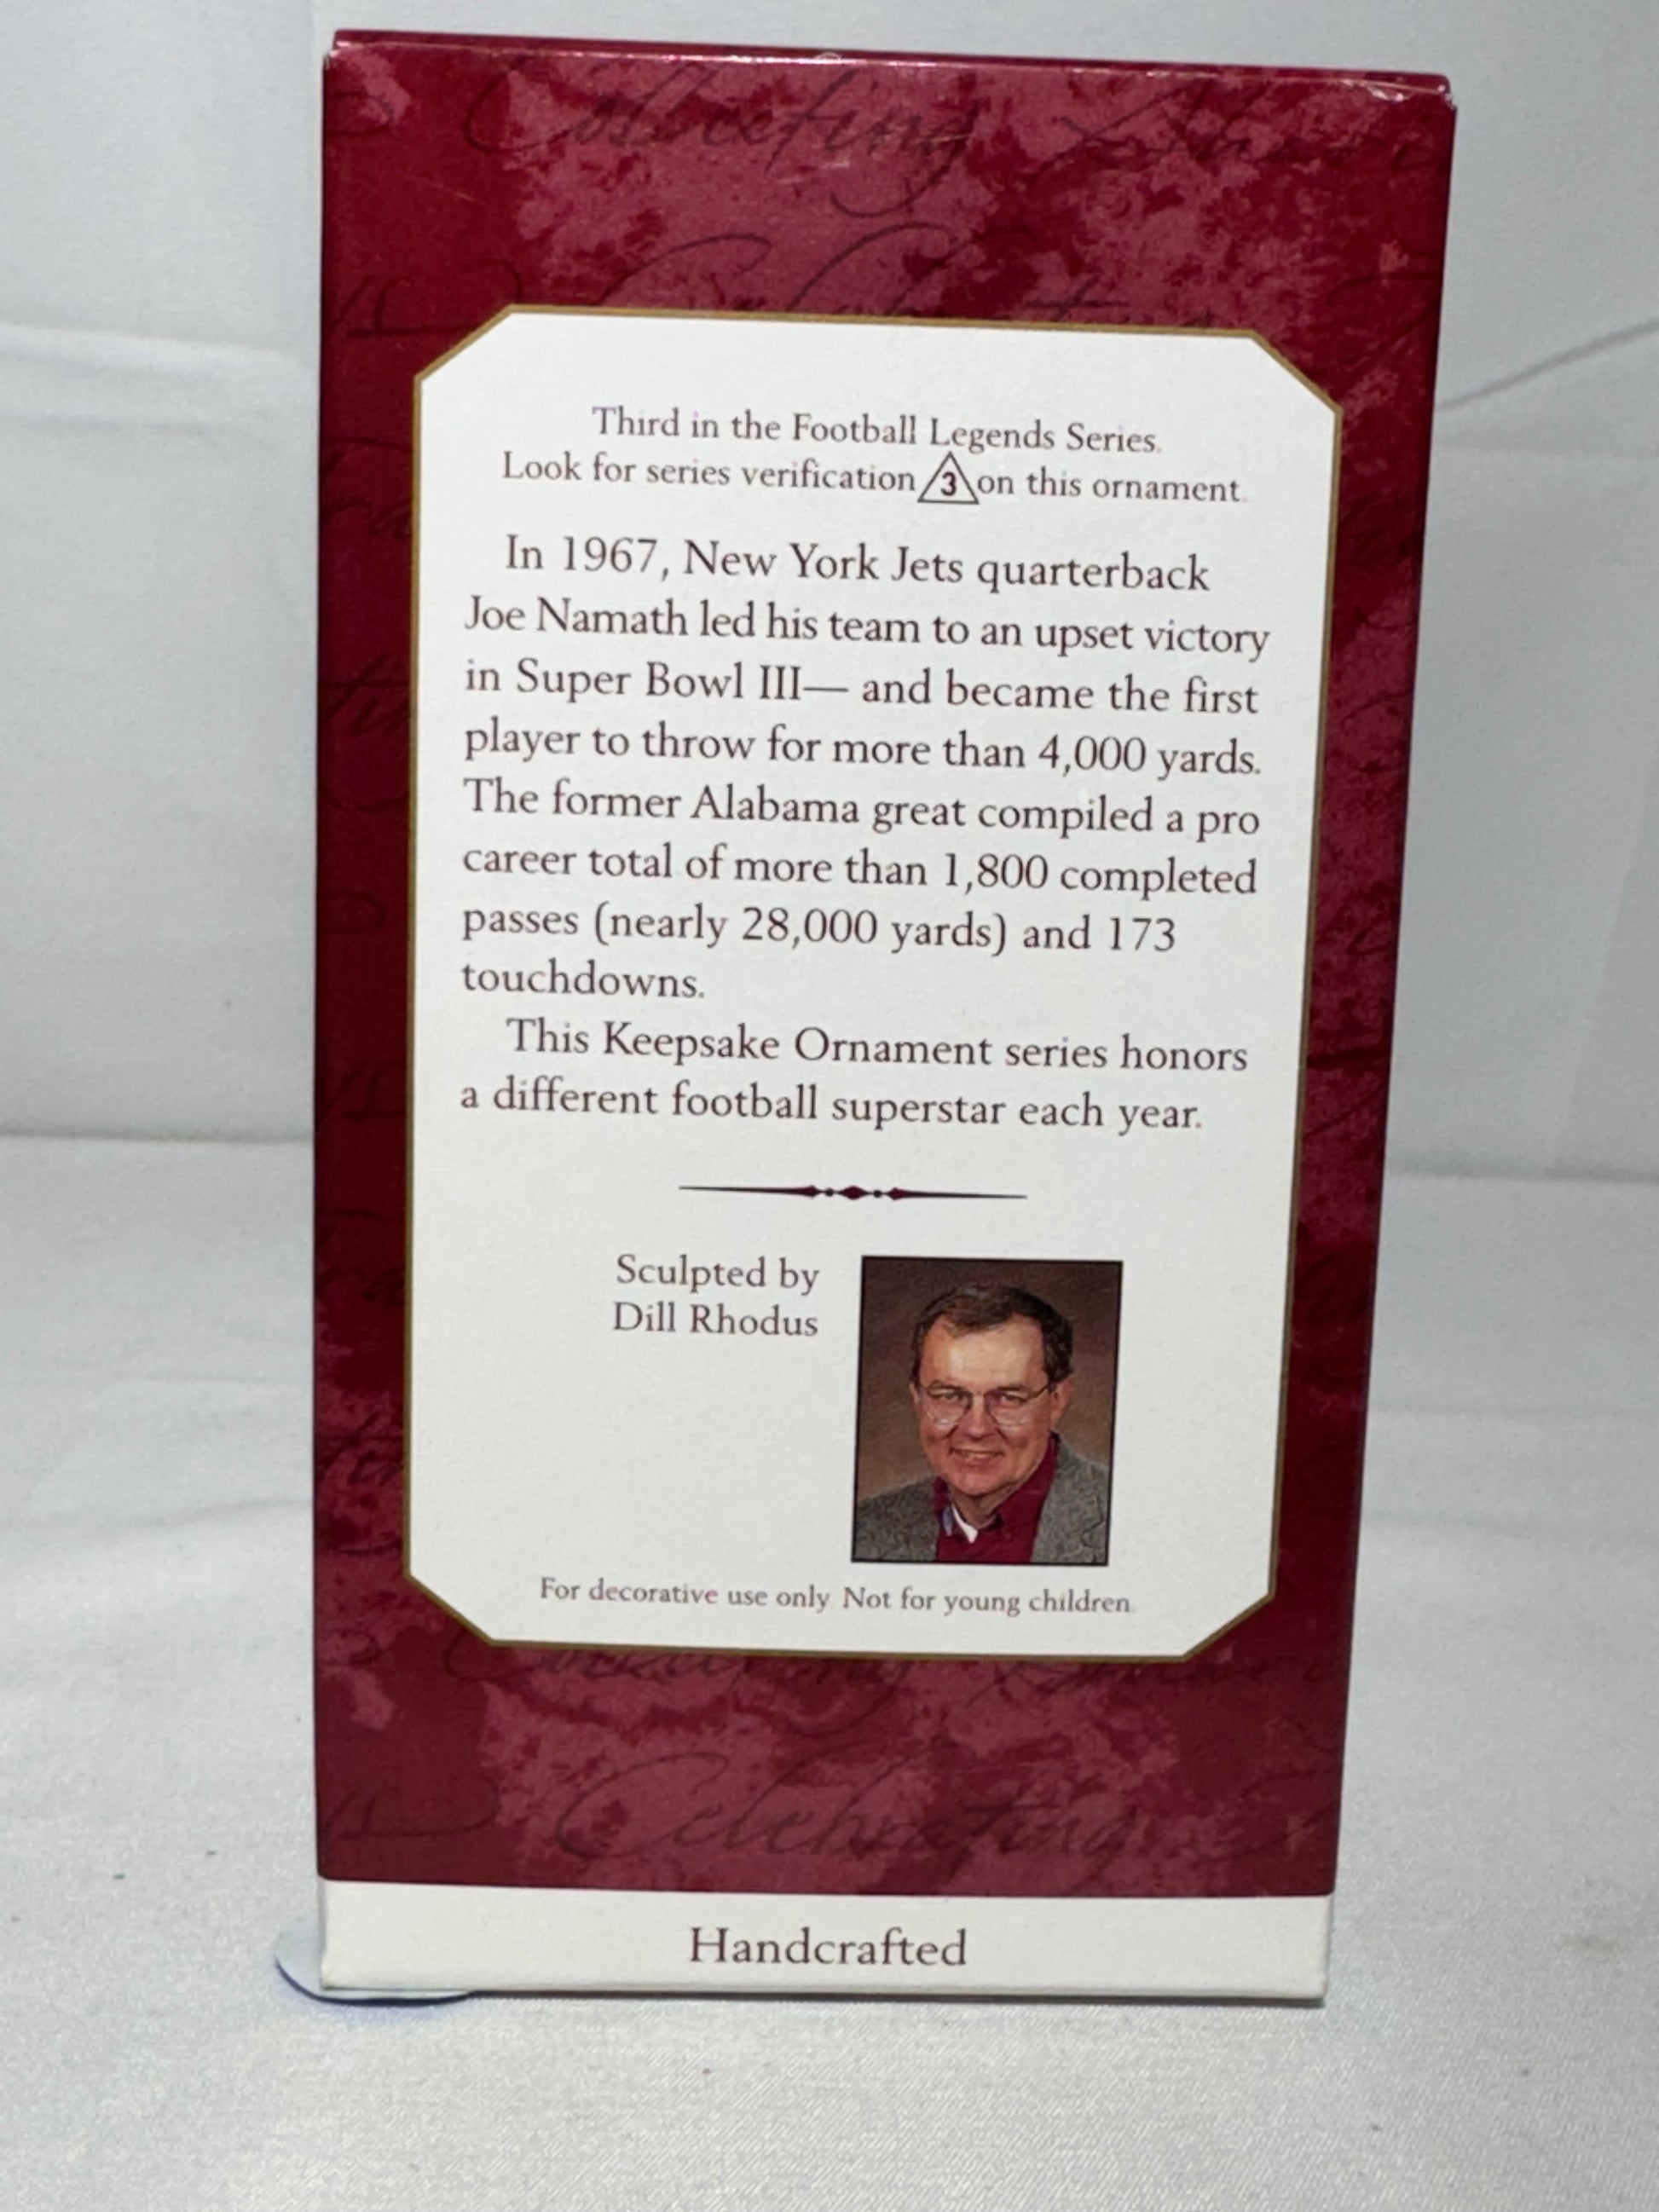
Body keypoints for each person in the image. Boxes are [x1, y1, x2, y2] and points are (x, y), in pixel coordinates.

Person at [853, 1284, 1111, 1565]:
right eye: (950, 1396)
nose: (976, 1428)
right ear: (918, 1399)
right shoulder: (865, 1528)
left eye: (1008, 1398)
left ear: (1057, 1400)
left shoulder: (1123, 1519)